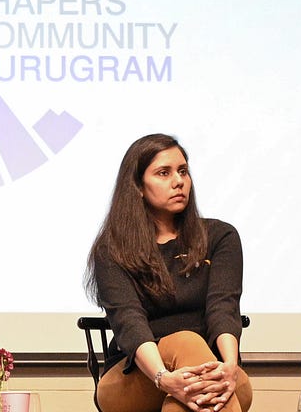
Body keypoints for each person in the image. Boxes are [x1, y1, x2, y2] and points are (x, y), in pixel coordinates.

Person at [85, 133, 253, 412]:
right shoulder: (112, 250)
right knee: (187, 343)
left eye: (183, 171)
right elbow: (130, 323)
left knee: (185, 403)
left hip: (213, 372)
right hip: (136, 376)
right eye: (164, 173)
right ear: (137, 186)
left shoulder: (220, 236)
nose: (178, 181)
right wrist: (165, 379)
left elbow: (223, 308)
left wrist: (230, 369)